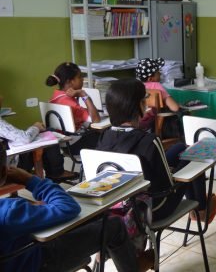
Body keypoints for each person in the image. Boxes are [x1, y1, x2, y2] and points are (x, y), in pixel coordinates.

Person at [0, 144, 150, 271]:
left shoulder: (10, 210)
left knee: (97, 218)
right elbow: (68, 207)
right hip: (40, 262)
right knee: (114, 225)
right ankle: (132, 266)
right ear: (3, 173)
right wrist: (30, 180)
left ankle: (108, 250)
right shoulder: (9, 211)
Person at [96, 79, 216, 222]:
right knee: (193, 156)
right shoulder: (149, 141)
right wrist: (172, 170)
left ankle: (200, 209)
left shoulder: (104, 136)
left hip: (119, 203)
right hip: (155, 207)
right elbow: (167, 185)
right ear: (139, 106)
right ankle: (201, 210)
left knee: (180, 148)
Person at [0, 94, 77, 181]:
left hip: (5, 165)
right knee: (48, 133)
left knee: (41, 133)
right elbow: (24, 138)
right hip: (9, 170)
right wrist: (36, 127)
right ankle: (56, 173)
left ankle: (55, 172)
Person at [45, 62, 101, 154]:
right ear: (69, 81)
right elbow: (96, 120)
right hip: (77, 144)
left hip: (64, 144)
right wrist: (84, 94)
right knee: (110, 136)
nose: (82, 79)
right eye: (79, 77)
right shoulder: (69, 103)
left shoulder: (54, 97)